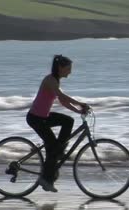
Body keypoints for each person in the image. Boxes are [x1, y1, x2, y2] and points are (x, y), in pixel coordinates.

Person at [26, 55, 89, 192]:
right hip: (36, 118)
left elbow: (63, 102)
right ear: (60, 68)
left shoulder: (55, 80)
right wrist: (80, 104)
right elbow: (62, 96)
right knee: (53, 148)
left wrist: (78, 111)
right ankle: (46, 180)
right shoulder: (50, 80)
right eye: (68, 68)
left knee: (68, 120)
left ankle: (58, 150)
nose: (70, 72)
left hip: (44, 117)